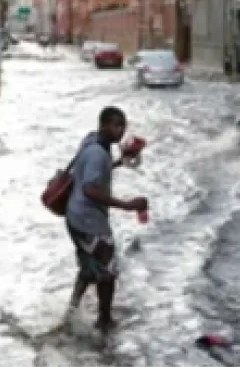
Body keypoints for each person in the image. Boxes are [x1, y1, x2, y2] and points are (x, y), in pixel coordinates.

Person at [65, 106, 148, 331]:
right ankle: (104, 320)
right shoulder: (98, 153)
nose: (120, 131)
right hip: (88, 220)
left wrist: (120, 162)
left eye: (123, 126)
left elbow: (93, 172)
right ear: (103, 125)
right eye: (116, 125)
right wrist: (128, 205)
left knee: (88, 266)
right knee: (108, 270)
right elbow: (91, 189)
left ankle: (71, 312)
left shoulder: (92, 142)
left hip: (75, 217)